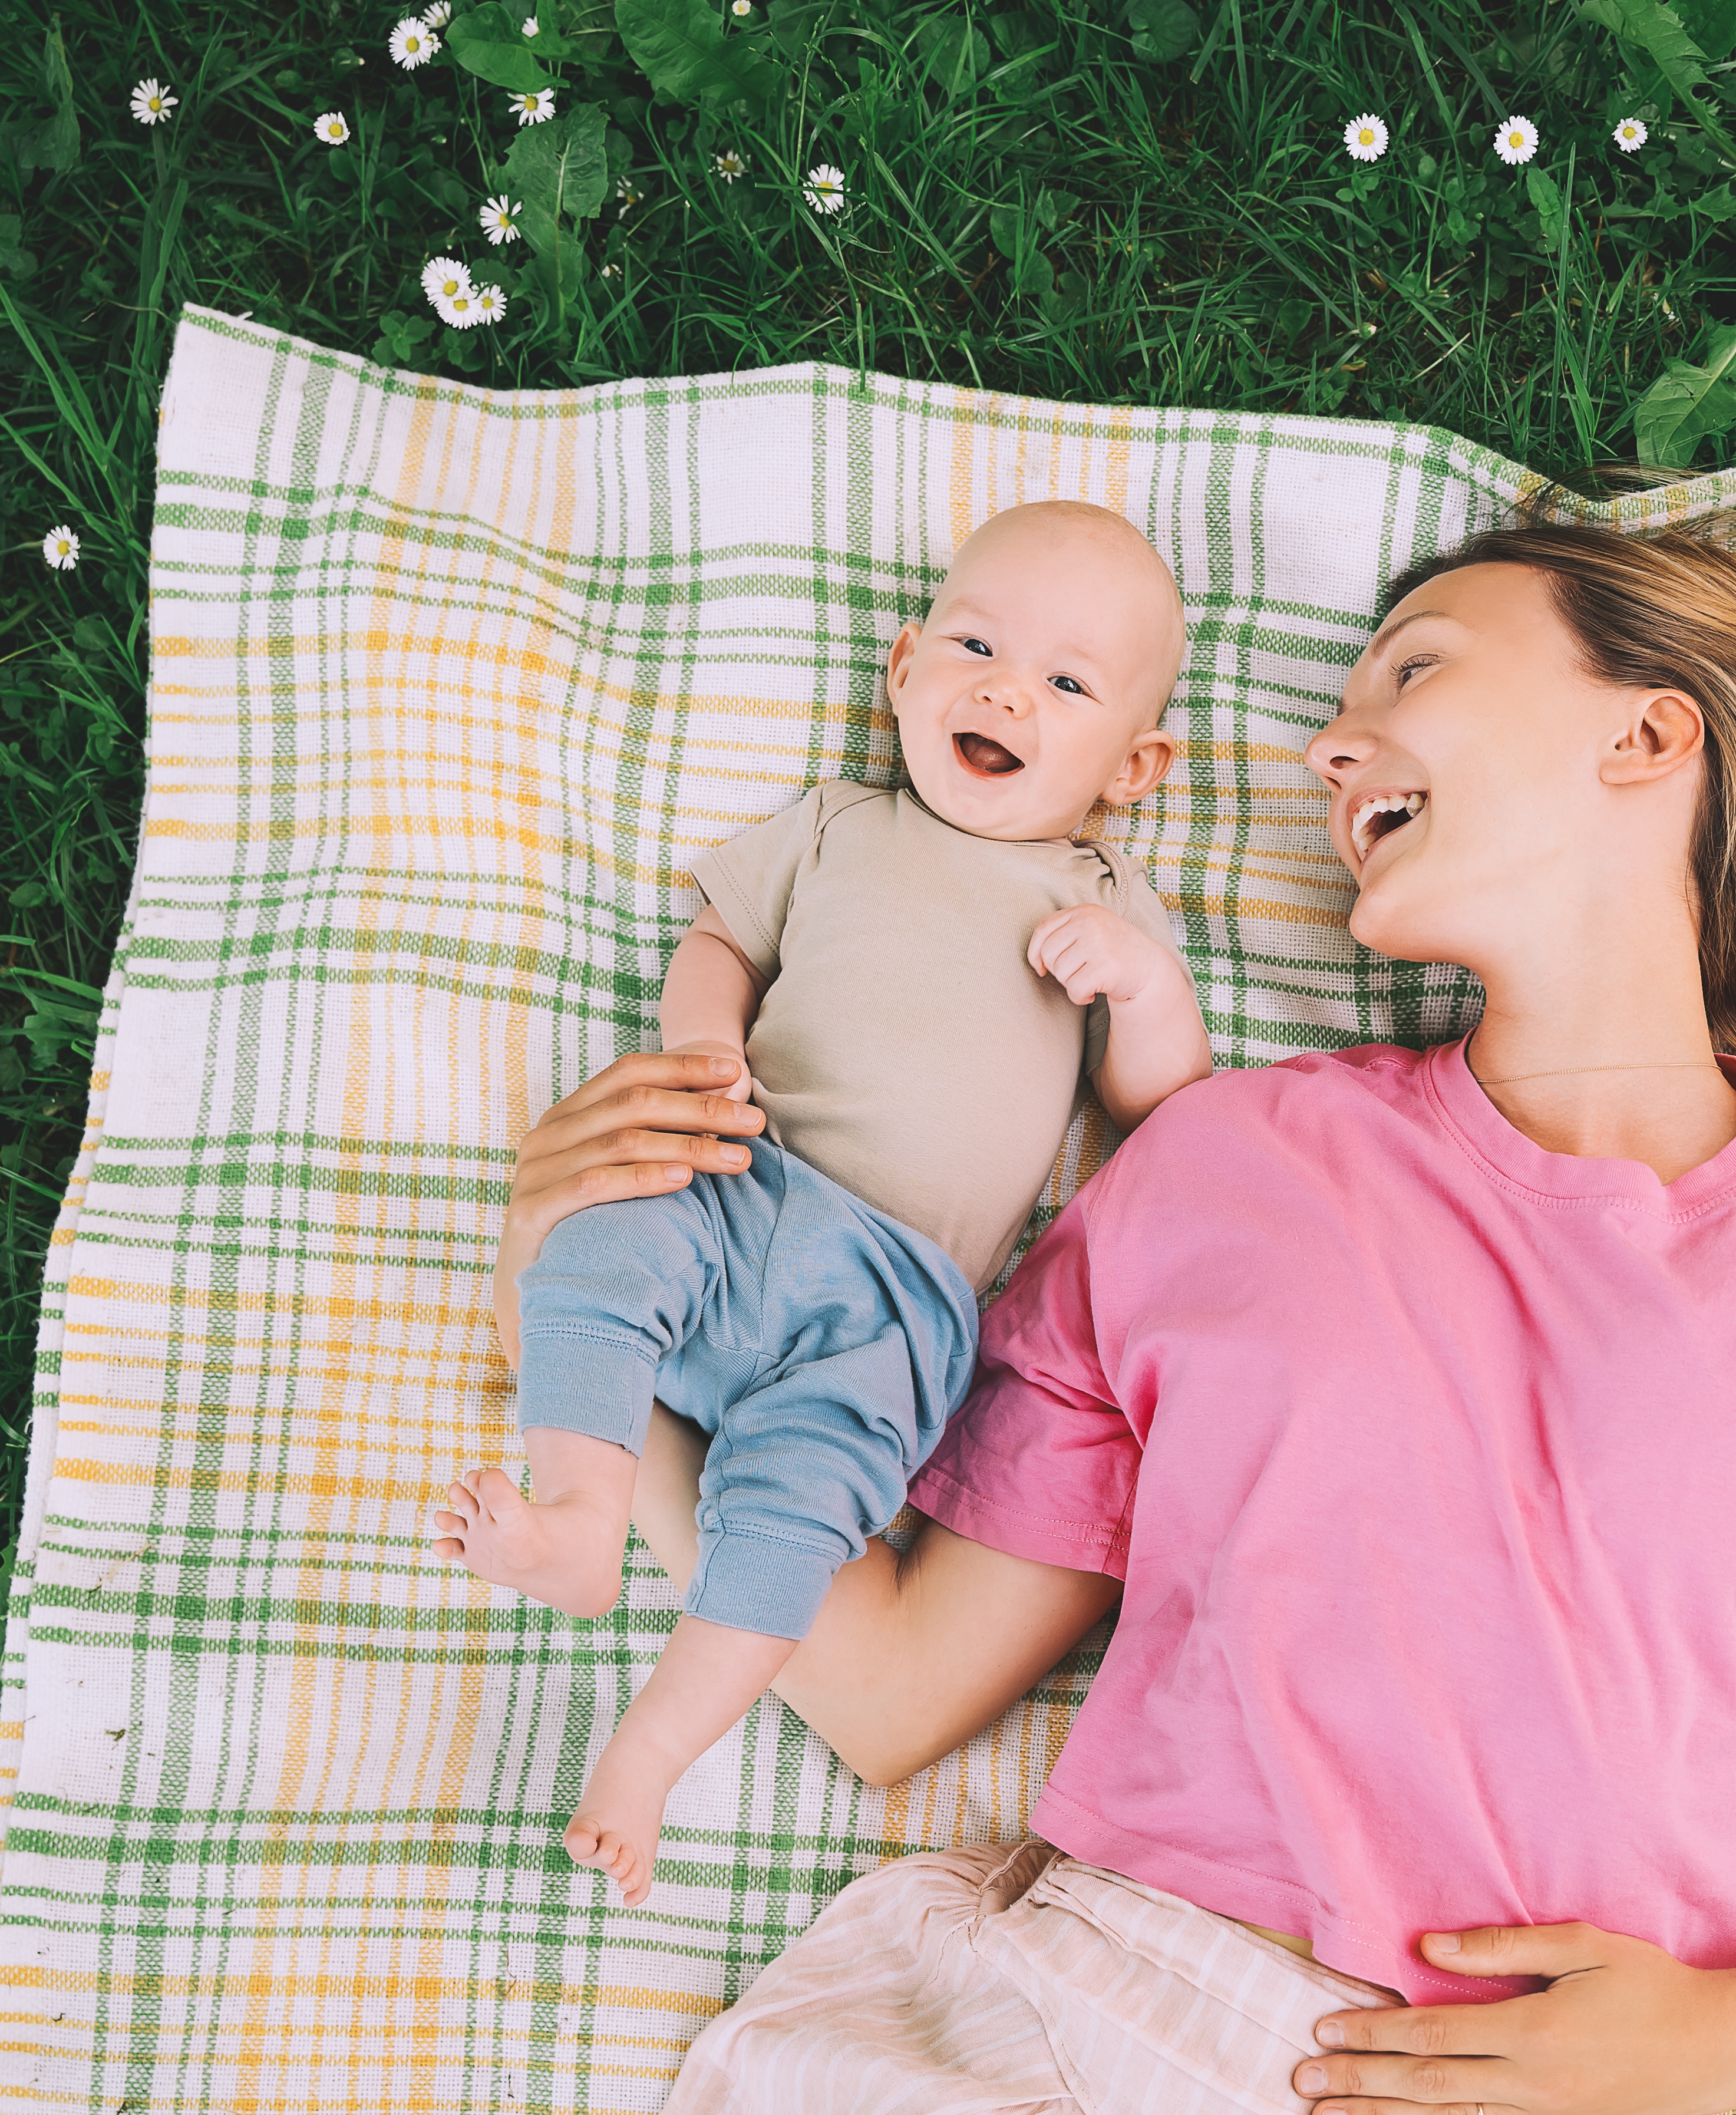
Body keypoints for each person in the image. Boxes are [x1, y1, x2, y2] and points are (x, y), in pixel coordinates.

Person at [499, 508, 1736, 2115]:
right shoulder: (1224, 1164)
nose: (1330, 747)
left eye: (1415, 670)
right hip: (1057, 2085)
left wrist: (1728, 2040)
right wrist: (571, 1292)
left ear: (1649, 738)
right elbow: (880, 1687)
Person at [432, 500, 1212, 1908]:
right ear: (903, 668)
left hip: (897, 1303)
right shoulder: (838, 824)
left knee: (796, 1515)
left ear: (1134, 767)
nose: (1004, 691)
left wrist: (1146, 990)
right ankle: (580, 1510)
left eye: (1067, 684)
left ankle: (654, 1749)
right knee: (602, 1251)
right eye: (974, 646)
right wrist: (706, 1043)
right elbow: (721, 938)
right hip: (743, 1180)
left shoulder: (1100, 895)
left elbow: (1163, 1107)